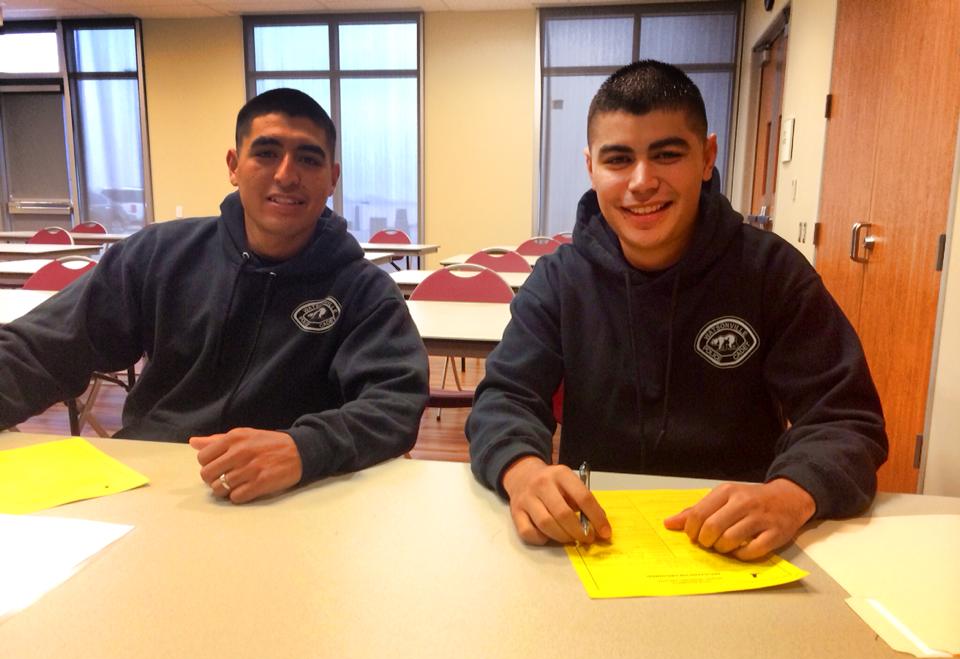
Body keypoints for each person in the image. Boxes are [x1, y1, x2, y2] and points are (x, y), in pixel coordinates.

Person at [466, 60, 887, 558]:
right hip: (595, 543)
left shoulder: (772, 273)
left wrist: (791, 494)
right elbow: (504, 399)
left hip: (739, 546)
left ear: (708, 157)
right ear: (591, 168)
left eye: (667, 155)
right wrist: (524, 471)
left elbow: (846, 419)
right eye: (618, 160)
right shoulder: (560, 280)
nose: (641, 182)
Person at [0, 88, 429, 503]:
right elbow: (40, 349)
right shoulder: (158, 255)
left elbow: (395, 402)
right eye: (266, 153)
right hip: (148, 488)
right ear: (234, 165)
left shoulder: (363, 291)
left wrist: (304, 448)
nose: (286, 174)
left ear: (332, 178)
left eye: (309, 158)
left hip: (291, 500)